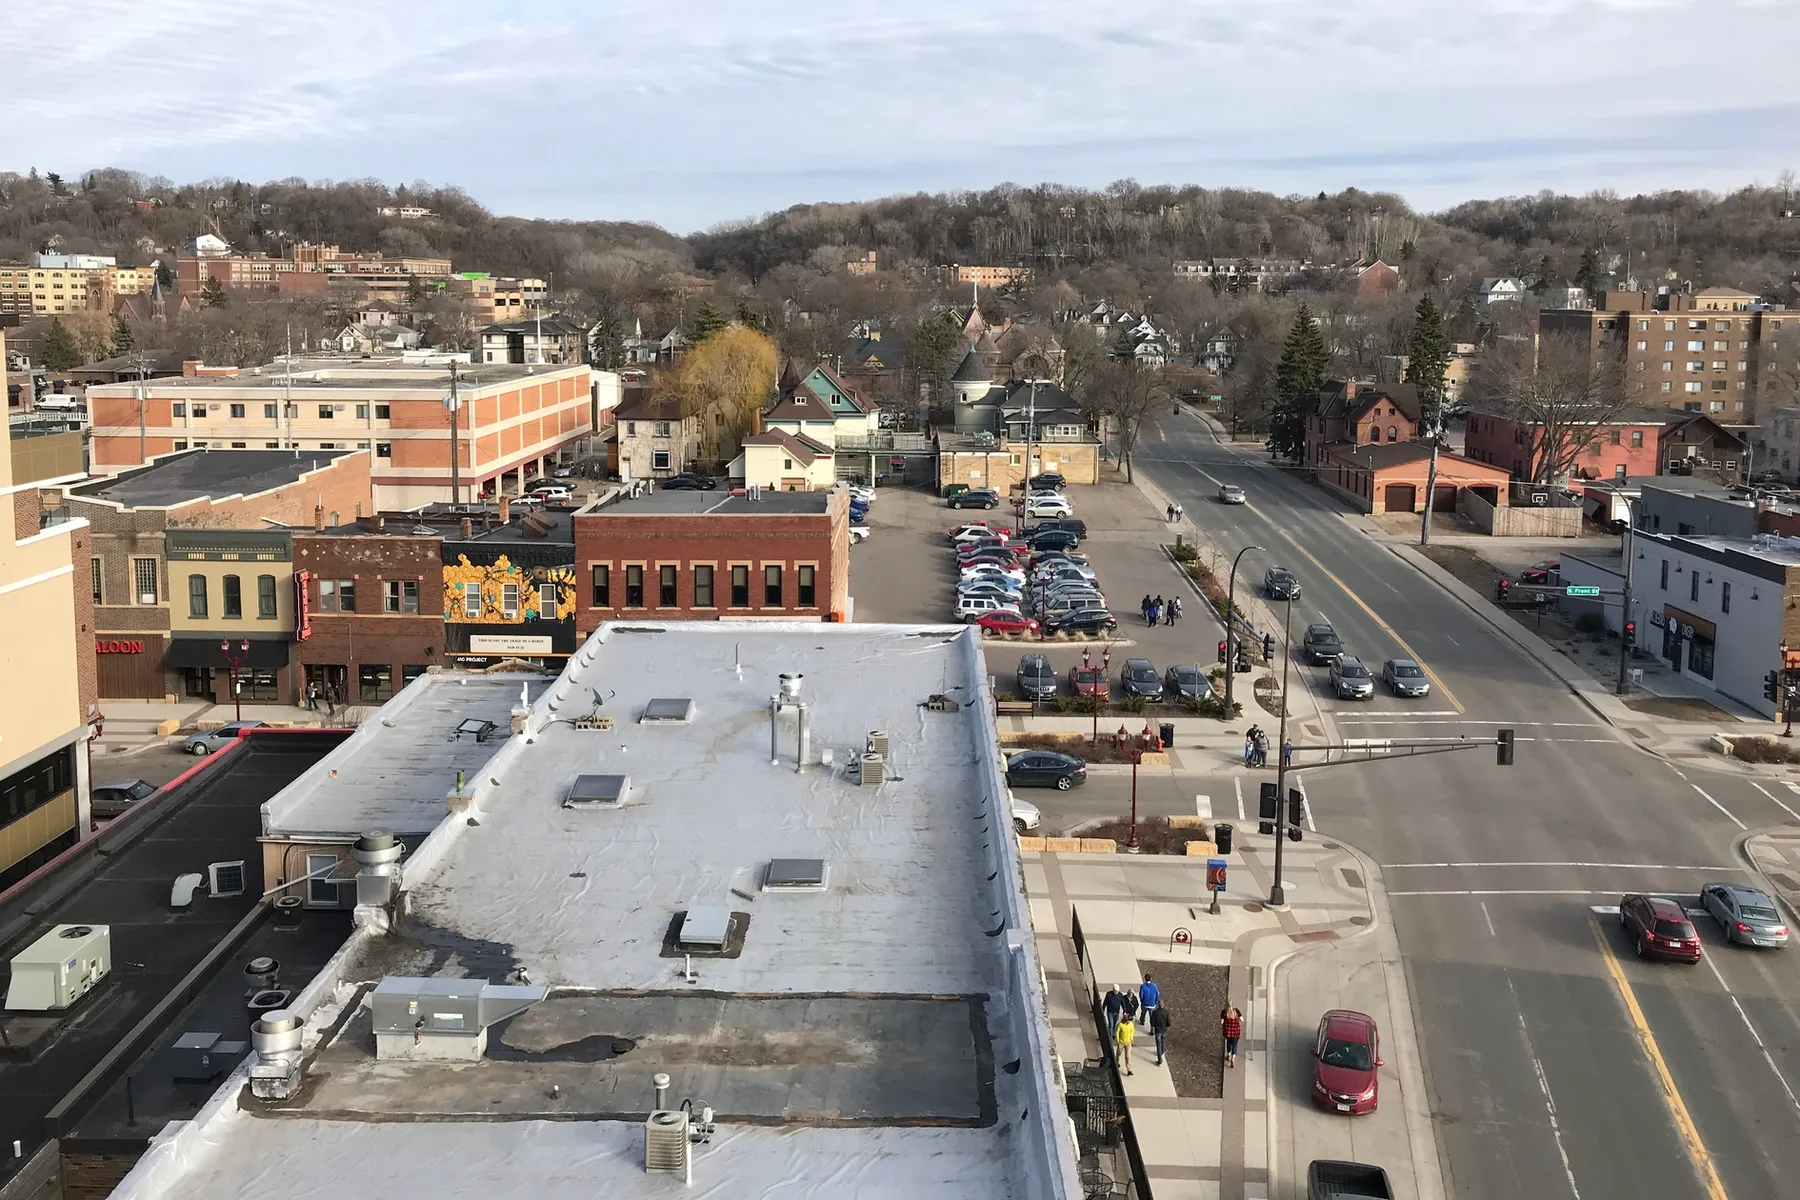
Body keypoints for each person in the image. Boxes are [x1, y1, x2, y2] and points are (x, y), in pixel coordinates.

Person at [1114, 1008, 1136, 1075]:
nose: (1129, 1021)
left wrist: (1131, 1039)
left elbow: (1132, 1031)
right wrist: (1117, 1040)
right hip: (1121, 1042)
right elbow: (1117, 1032)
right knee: (1118, 1053)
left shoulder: (1131, 1024)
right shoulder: (1120, 1024)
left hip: (1128, 1042)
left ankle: (1129, 1070)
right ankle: (1116, 1063)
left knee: (1128, 1056)